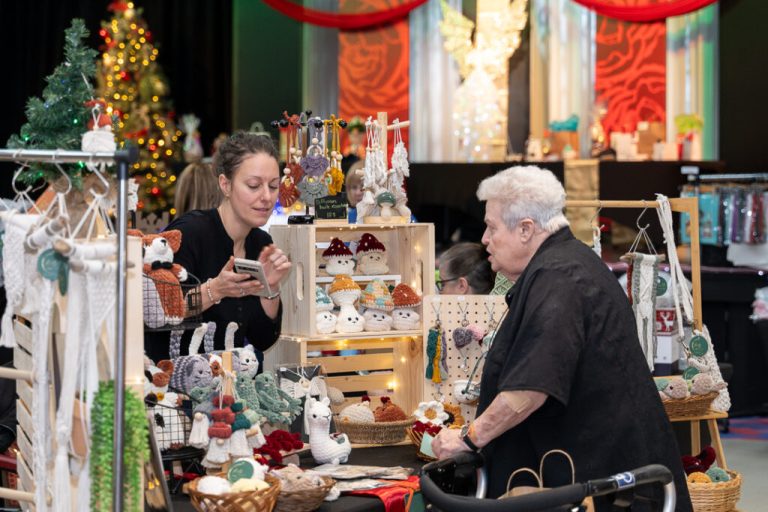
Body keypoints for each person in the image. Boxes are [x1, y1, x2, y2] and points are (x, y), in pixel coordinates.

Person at [431, 166, 692, 510]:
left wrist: (468, 439)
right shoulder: (567, 262)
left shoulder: (559, 279)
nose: (484, 239)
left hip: (607, 488)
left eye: (492, 227)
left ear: (526, 229)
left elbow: (530, 389)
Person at [145, 132, 291, 362]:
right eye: (253, 186)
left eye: (273, 186)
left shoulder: (261, 243)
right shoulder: (189, 233)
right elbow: (157, 313)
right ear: (225, 184)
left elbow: (263, 339)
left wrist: (269, 289)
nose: (266, 196)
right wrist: (215, 290)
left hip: (229, 389)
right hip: (174, 387)